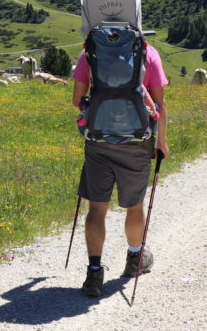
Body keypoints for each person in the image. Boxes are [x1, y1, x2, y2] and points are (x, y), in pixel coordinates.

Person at [71, 36, 169, 298]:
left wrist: (93, 110)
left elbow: (76, 99)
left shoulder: (89, 51)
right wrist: (162, 141)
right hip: (137, 141)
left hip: (99, 139)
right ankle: (135, 259)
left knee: (97, 206)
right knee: (135, 205)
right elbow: (159, 103)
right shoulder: (148, 53)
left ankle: (94, 273)